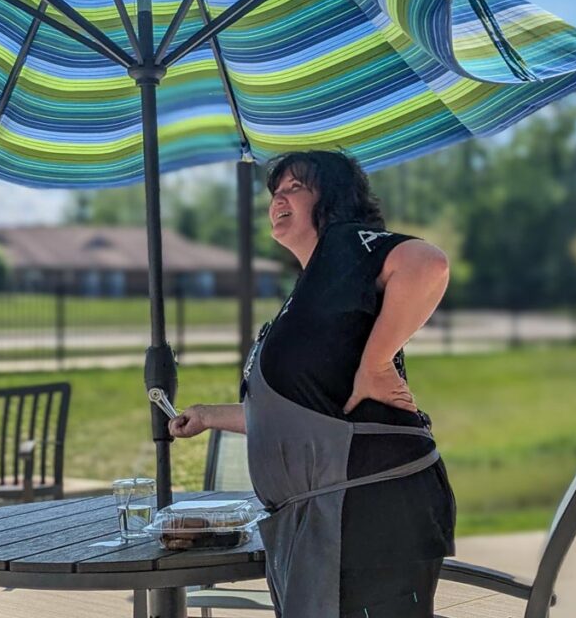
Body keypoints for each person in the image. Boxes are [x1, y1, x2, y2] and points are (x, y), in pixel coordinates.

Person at [169, 150, 456, 618]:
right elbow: (304, 409)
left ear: (334, 197)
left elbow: (427, 263)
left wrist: (378, 364)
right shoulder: (318, 283)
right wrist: (208, 416)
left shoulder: (345, 245)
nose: (278, 200)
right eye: (275, 193)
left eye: (294, 189)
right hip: (327, 519)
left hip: (368, 513)